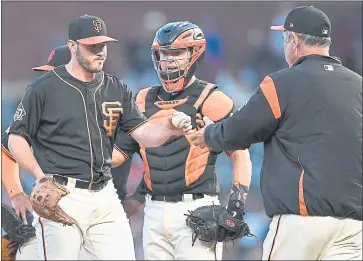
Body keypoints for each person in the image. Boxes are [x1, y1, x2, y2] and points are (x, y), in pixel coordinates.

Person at [7, 14, 191, 260]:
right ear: (73, 46)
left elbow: (144, 133)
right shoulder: (43, 88)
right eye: (92, 45)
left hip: (105, 195)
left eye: (102, 45)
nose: (100, 51)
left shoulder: (116, 88)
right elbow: (15, 138)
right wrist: (38, 179)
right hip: (61, 192)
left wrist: (168, 127)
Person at [189, 6, 362, 260]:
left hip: (301, 221)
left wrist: (208, 135)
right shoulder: (358, 85)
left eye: (285, 38)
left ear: (294, 41)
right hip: (352, 224)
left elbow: (241, 130)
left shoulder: (283, 82)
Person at [119, 21, 252, 260]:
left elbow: (240, 153)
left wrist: (237, 205)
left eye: (177, 53)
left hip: (197, 209)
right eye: (163, 54)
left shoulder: (213, 99)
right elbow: (134, 153)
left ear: (195, 52)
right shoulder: (140, 100)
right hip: (154, 211)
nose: (169, 60)